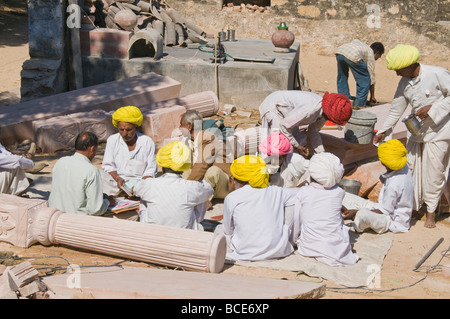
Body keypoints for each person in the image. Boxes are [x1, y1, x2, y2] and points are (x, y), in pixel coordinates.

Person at [373, 44, 450, 228]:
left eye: (399, 70)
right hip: (417, 131)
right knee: (411, 168)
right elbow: (396, 108)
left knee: (434, 172)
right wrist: (384, 129)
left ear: (410, 65)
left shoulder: (437, 74)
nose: (397, 74)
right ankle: (416, 206)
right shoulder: (404, 82)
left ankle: (431, 212)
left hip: (439, 130)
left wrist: (432, 109)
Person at [221, 155, 299, 261]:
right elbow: (302, 194)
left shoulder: (232, 198)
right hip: (278, 251)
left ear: (239, 180)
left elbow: (228, 230)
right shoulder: (278, 192)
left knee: (219, 232)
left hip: (244, 251)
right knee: (294, 203)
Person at [294, 152, 359, 266]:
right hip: (335, 247)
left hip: (309, 246)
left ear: (312, 174)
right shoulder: (339, 192)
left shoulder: (304, 192)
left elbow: (297, 220)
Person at [133, 141, 214, 230]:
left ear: (162, 167)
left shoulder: (149, 184)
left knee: (144, 197)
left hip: (152, 232)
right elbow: (209, 190)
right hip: (184, 234)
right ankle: (197, 221)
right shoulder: (191, 187)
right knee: (199, 197)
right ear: (183, 168)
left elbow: (135, 189)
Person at [342, 139, 414, 233]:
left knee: (362, 214)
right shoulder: (403, 166)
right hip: (379, 206)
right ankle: (357, 215)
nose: (382, 163)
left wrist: (356, 212)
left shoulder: (394, 184)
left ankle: (358, 223)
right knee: (343, 195)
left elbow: (385, 211)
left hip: (391, 221)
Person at [259, 90, 352, 157]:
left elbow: (313, 132)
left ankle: (285, 166)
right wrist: (298, 146)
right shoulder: (309, 110)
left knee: (299, 141)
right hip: (274, 106)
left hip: (289, 115)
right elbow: (283, 126)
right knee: (279, 146)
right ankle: (270, 171)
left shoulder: (326, 111)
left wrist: (322, 155)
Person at [178, 110, 234, 208]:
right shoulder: (188, 141)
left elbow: (202, 165)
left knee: (212, 171)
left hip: (222, 183)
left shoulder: (208, 138)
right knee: (184, 169)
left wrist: (187, 187)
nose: (179, 128)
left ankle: (203, 199)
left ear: (189, 126)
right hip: (202, 181)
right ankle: (192, 195)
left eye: (181, 125)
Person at [49, 132, 115, 215]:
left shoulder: (60, 162)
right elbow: (95, 210)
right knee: (132, 216)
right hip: (77, 220)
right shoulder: (91, 171)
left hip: (55, 215)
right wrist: (107, 201)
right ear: (92, 148)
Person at [102, 105, 157, 196]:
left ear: (135, 127)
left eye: (128, 130)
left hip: (141, 182)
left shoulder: (147, 142)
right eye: (121, 130)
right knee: (99, 175)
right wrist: (117, 178)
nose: (125, 133)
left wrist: (140, 185)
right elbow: (108, 166)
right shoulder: (112, 140)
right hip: (118, 182)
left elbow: (151, 169)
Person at [335, 40, 385, 107]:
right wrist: (372, 96)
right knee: (365, 79)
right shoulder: (370, 54)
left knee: (342, 76)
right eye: (379, 57)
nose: (376, 59)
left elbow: (354, 40)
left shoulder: (363, 47)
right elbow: (371, 78)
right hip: (353, 55)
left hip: (340, 52)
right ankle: (359, 104)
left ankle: (344, 99)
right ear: (377, 53)